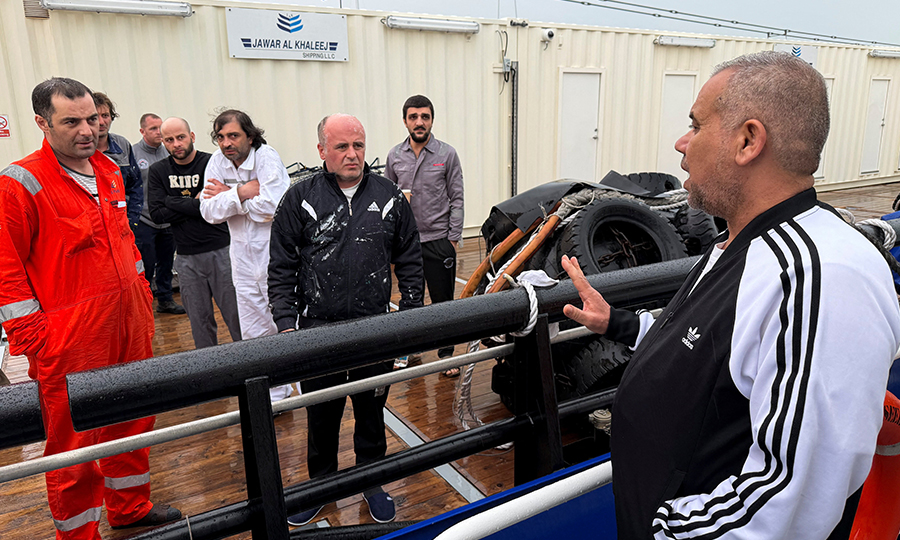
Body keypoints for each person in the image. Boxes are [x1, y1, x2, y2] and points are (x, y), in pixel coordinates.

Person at [561, 51, 900, 539]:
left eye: (696, 125)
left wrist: (662, 530)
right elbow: (710, 352)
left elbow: (788, 502)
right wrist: (618, 323)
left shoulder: (819, 275)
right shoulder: (742, 244)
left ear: (747, 141)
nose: (681, 143)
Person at [0, 78, 181, 540]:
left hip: (129, 326)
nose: (88, 130)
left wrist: (142, 298)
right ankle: (79, 534)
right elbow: (6, 270)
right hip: (70, 340)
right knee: (74, 446)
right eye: (72, 122)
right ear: (42, 123)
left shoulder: (108, 170)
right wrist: (37, 339)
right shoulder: (20, 184)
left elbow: (125, 245)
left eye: (92, 119)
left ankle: (130, 507)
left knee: (133, 421)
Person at [268, 114, 424, 526]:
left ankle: (372, 481)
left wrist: (409, 318)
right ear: (322, 150)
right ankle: (321, 487)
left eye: (358, 145)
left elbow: (410, 259)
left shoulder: (390, 197)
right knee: (322, 416)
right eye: (342, 147)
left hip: (375, 329)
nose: (353, 154)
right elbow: (281, 266)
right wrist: (286, 324)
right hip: (318, 331)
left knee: (371, 414)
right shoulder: (300, 199)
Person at [199, 109, 293, 401]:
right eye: (220, 137)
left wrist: (227, 194)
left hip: (275, 257)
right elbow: (208, 212)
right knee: (254, 331)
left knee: (287, 324)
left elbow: (273, 206)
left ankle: (305, 389)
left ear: (250, 136)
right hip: (241, 260)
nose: (226, 143)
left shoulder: (266, 157)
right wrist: (242, 192)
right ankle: (275, 396)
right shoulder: (217, 162)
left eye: (233, 135)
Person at [384, 95, 464, 374]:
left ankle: (446, 355)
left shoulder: (447, 154)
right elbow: (388, 200)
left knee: (443, 302)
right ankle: (411, 348)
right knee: (410, 299)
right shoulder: (395, 156)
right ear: (405, 121)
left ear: (432, 120)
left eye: (425, 117)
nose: (419, 122)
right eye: (413, 117)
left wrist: (452, 239)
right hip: (407, 243)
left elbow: (457, 197)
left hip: (439, 240)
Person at [148, 117, 241, 349]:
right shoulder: (158, 170)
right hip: (186, 258)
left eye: (180, 137)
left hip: (222, 252)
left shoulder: (212, 163)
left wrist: (172, 201)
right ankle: (210, 370)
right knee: (200, 323)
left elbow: (218, 206)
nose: (176, 144)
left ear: (192, 136)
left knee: (237, 317)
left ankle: (254, 364)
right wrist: (196, 203)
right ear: (163, 142)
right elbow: (157, 214)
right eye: (169, 140)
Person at [132, 113, 185, 315]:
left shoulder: (169, 153)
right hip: (144, 219)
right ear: (142, 131)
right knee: (146, 265)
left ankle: (165, 300)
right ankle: (144, 306)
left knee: (166, 262)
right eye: (153, 128)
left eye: (160, 128)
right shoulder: (134, 154)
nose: (158, 132)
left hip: (167, 219)